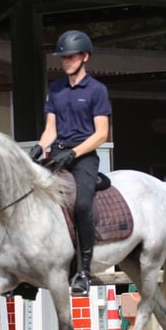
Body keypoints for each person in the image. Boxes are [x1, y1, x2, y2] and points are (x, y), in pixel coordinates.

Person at [28, 29, 112, 296]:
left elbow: (101, 134)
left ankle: (83, 272)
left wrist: (74, 153)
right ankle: (28, 270)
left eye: (71, 57)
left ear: (85, 57)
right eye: (63, 57)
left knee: (83, 205)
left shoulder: (97, 90)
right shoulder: (56, 89)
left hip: (84, 157)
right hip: (58, 153)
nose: (66, 61)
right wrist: (39, 147)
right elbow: (50, 130)